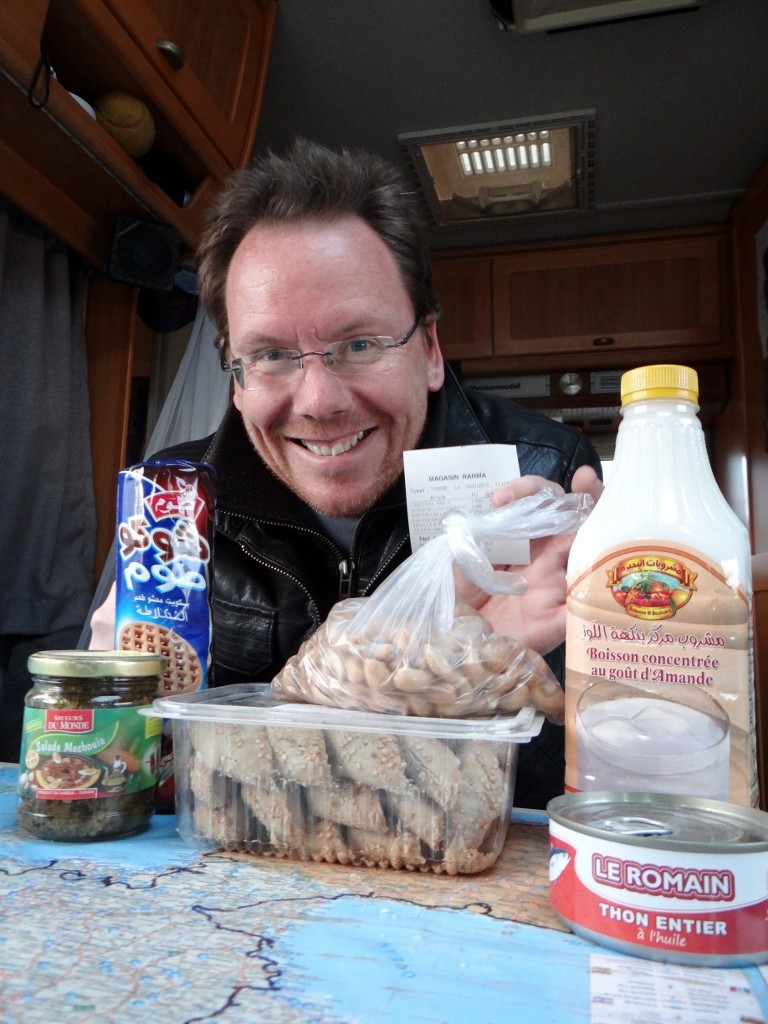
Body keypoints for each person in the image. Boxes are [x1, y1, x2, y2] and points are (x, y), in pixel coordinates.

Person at [90, 138, 604, 808]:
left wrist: (471, 682)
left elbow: (577, 785)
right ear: (236, 377)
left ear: (428, 349)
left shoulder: (543, 483)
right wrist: (114, 706)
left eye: (359, 345)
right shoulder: (171, 504)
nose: (320, 402)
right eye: (271, 354)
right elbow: (119, 774)